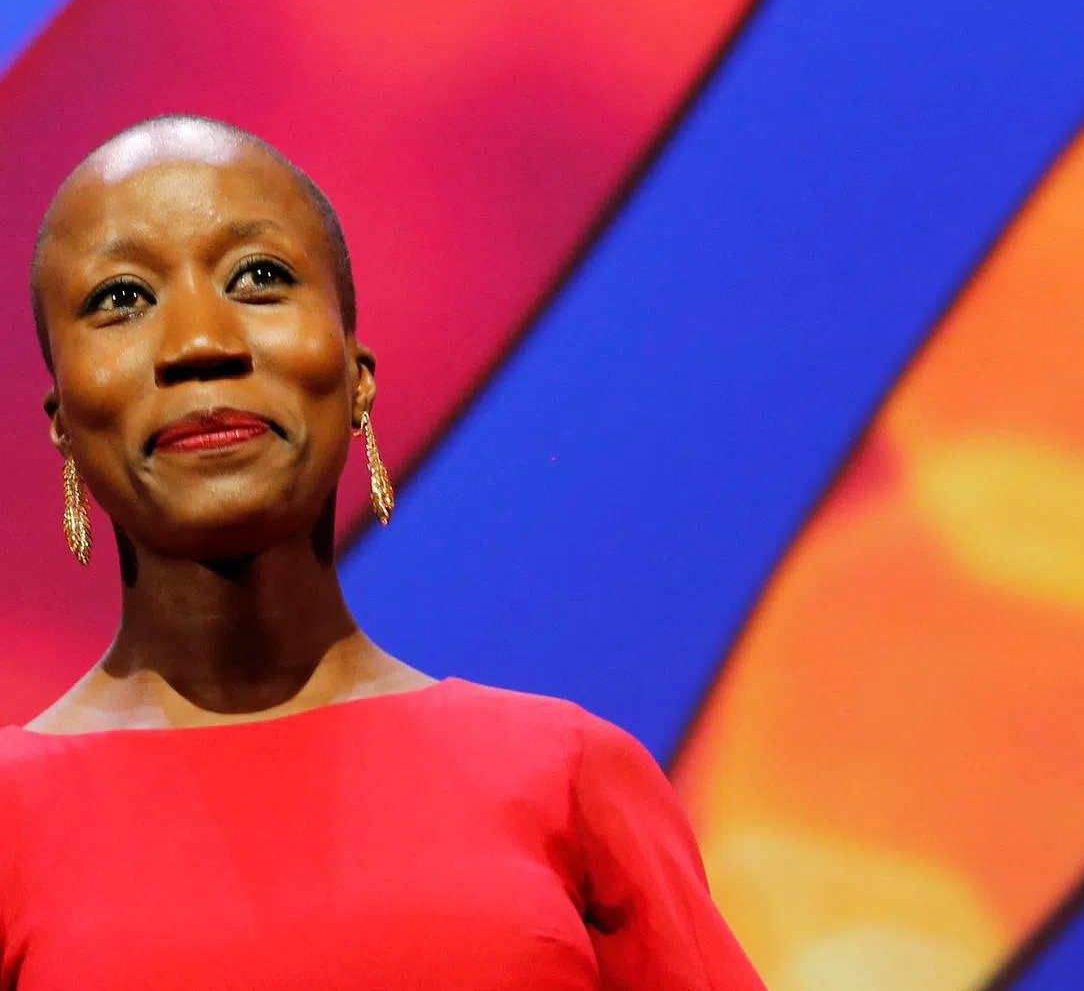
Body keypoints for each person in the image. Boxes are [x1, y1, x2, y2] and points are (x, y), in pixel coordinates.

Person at [0, 115, 765, 989]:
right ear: (63, 420)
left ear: (356, 377)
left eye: (259, 277)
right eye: (122, 297)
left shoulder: (570, 778)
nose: (200, 344)